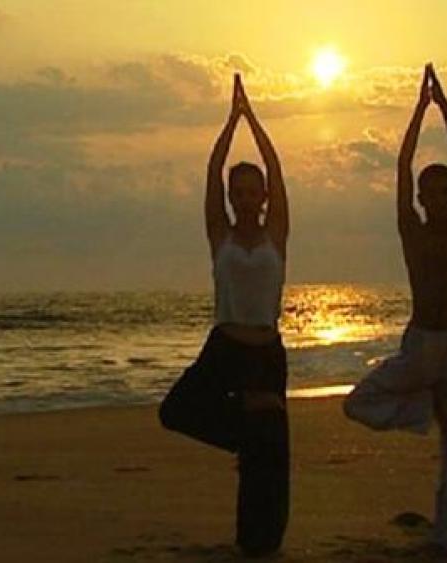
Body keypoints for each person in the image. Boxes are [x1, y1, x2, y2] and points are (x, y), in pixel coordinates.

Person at [343, 63, 447, 558]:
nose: (437, 199)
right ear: (420, 198)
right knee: (359, 401)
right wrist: (420, 109)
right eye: (429, 193)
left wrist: (445, 106)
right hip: (421, 343)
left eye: (445, 192)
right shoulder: (412, 229)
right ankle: (424, 408)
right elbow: (402, 165)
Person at [159, 73, 290, 558]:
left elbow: (276, 168)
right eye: (239, 192)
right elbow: (212, 173)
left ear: (264, 197)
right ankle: (245, 429)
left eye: (254, 192)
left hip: (267, 352)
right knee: (175, 411)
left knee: (269, 462)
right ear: (232, 198)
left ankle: (257, 543)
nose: (246, 198)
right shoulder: (221, 234)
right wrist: (231, 120)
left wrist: (253, 118)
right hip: (225, 348)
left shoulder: (277, 233)